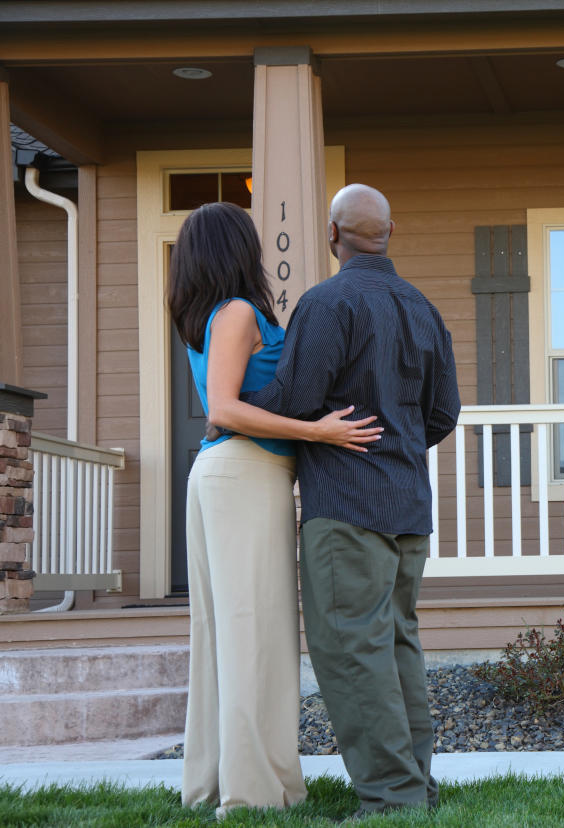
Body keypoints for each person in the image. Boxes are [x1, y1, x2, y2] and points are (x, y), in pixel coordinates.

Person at [244, 183, 460, 816]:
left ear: (333, 235)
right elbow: (444, 413)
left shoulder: (327, 302)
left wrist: (233, 407)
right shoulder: (423, 308)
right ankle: (414, 784)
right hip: (408, 506)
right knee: (396, 645)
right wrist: (399, 440)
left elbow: (296, 397)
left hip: (347, 507)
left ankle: (392, 798)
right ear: (388, 233)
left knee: (350, 651)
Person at [167, 202, 384, 819]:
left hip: (224, 474)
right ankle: (252, 795)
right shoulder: (236, 312)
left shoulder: (209, 315)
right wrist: (317, 432)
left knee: (225, 635)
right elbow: (223, 407)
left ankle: (216, 783)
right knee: (253, 633)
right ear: (238, 247)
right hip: (243, 470)